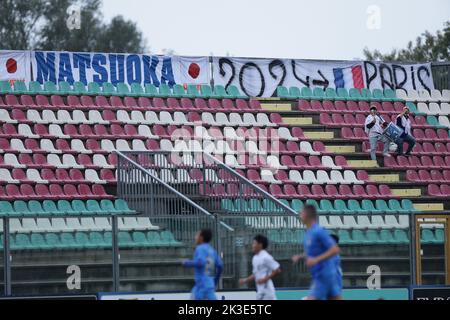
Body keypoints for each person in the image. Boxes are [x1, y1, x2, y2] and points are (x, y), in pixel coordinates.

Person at [292, 205, 342, 300]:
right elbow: (314, 253)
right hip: (324, 274)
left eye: (301, 213)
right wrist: (300, 256)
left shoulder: (318, 231)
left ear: (307, 215)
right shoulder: (309, 233)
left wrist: (316, 260)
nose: (299, 215)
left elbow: (335, 249)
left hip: (323, 274)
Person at [182, 229, 223, 300]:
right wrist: (215, 281)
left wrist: (187, 263)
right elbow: (220, 266)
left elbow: (201, 262)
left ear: (201, 237)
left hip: (201, 286)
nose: (195, 237)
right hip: (209, 286)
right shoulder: (212, 250)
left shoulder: (200, 248)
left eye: (197, 235)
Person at [239, 234, 282, 301]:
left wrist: (264, 279)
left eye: (254, 243)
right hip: (260, 291)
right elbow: (255, 274)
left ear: (260, 245)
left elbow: (277, 270)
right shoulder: (255, 258)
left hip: (267, 292)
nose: (252, 245)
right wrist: (245, 280)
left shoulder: (266, 257)